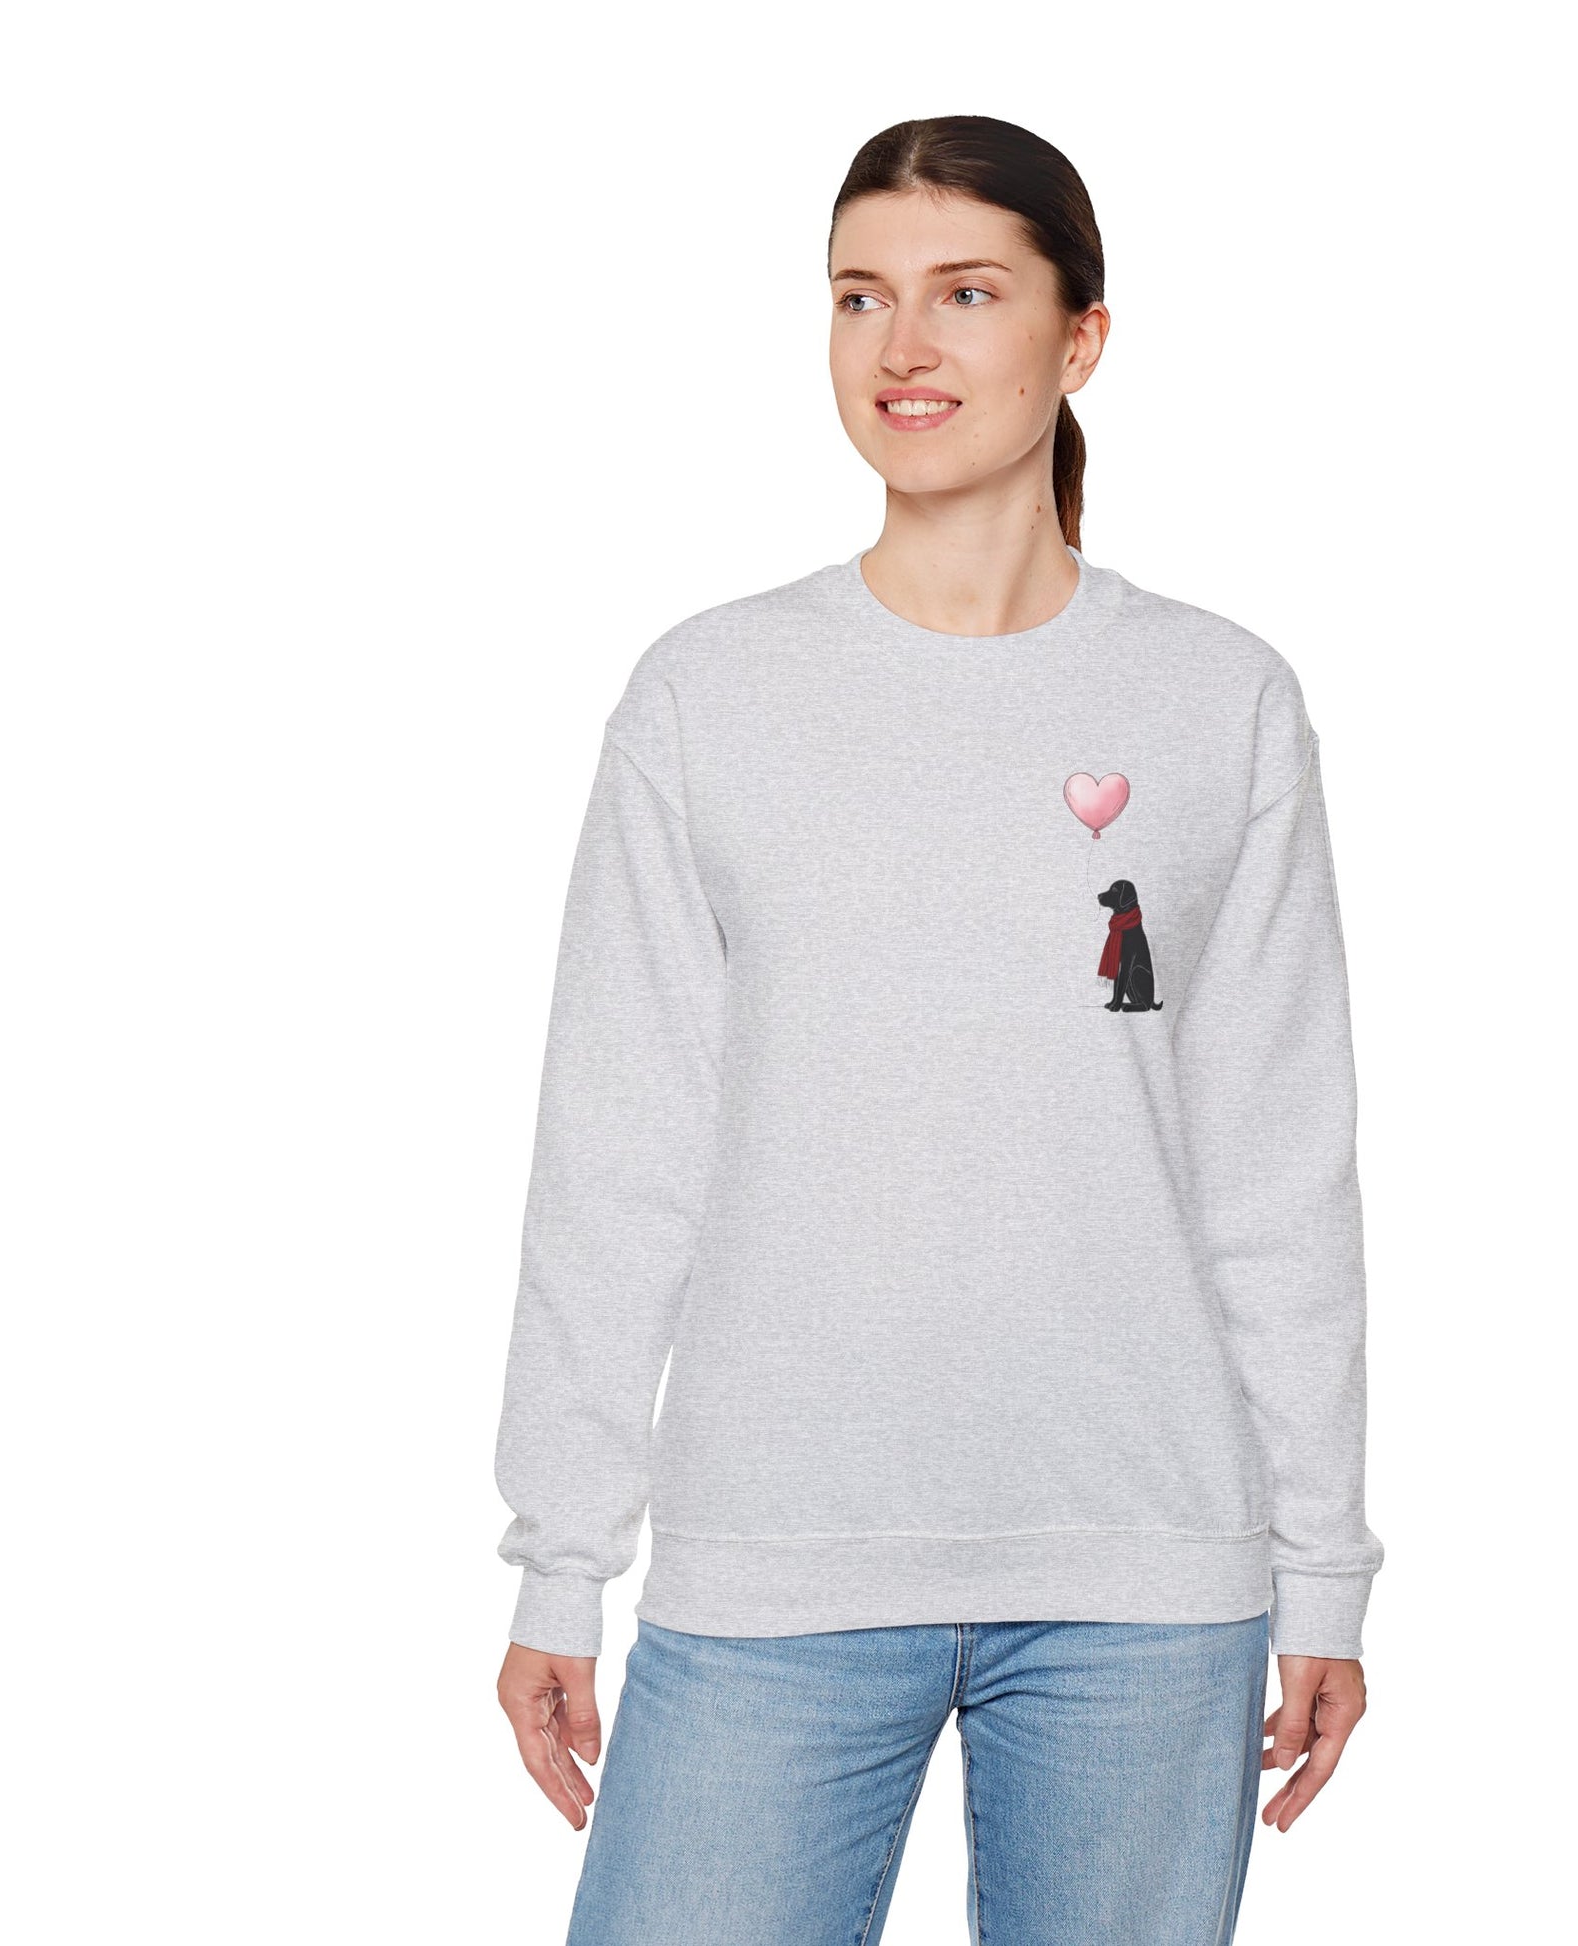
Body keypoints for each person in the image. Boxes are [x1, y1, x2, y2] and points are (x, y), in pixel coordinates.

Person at [492, 114, 1387, 1945]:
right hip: (775, 1560)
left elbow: (1276, 1167)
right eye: (857, 297)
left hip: (1144, 1575)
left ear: (1080, 338)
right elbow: (617, 1155)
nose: (900, 346)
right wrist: (561, 1555)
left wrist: (1322, 1569)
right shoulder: (709, 696)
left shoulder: (1217, 698)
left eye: (965, 293)